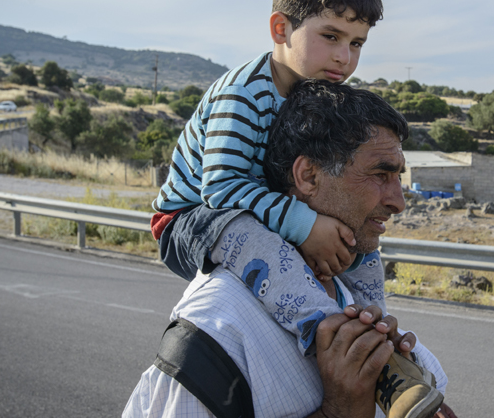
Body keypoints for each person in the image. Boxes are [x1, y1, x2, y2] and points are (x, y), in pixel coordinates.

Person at [148, 0, 440, 416]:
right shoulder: (241, 93)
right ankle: (326, 334)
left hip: (247, 207)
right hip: (192, 218)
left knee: (362, 241)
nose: (345, 58)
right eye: (331, 36)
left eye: (357, 43)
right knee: (247, 234)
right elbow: (220, 191)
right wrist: (304, 225)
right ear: (281, 29)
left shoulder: (309, 92)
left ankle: (376, 338)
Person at [126, 80, 455, 417]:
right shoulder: (216, 325)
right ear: (308, 176)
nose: (398, 202)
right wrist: (337, 410)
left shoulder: (350, 292)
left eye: (398, 176)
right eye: (380, 174)